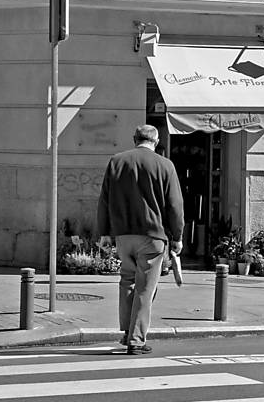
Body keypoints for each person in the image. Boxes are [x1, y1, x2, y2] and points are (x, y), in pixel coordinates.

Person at [97, 125, 184, 355]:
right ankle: (136, 340)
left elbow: (104, 198)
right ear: (155, 142)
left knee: (127, 281)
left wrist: (105, 232)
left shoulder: (117, 161)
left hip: (123, 235)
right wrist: (177, 236)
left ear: (135, 139)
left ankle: (127, 332)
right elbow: (175, 205)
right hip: (152, 236)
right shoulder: (165, 165)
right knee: (146, 288)